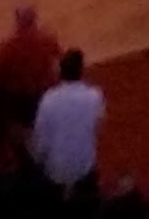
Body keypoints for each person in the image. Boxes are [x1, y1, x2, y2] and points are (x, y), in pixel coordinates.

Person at [29, 47, 107, 190]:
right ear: (81, 70)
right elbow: (98, 129)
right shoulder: (95, 96)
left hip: (54, 173)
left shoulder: (48, 99)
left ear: (60, 72)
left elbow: (41, 141)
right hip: (84, 169)